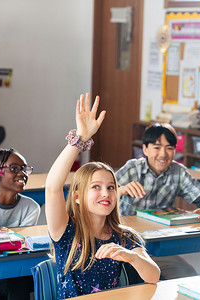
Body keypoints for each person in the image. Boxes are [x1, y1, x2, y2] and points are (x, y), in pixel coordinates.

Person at [45, 93, 160, 299]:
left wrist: (131, 257)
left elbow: (153, 276)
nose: (105, 193)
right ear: (77, 196)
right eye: (96, 187)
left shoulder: (123, 236)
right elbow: (53, 187)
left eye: (111, 187)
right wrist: (81, 138)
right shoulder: (66, 230)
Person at [115, 122, 200, 279]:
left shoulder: (177, 172)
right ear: (145, 149)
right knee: (136, 281)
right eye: (157, 147)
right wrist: (120, 190)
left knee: (188, 276)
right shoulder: (132, 169)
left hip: (156, 248)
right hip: (126, 245)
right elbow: (97, 197)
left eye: (169, 148)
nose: (163, 154)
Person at [0, 148, 40, 300]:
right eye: (14, 168)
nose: (23, 174)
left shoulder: (31, 208)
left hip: (16, 274)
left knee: (18, 280)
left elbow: (22, 251)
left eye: (25, 169)